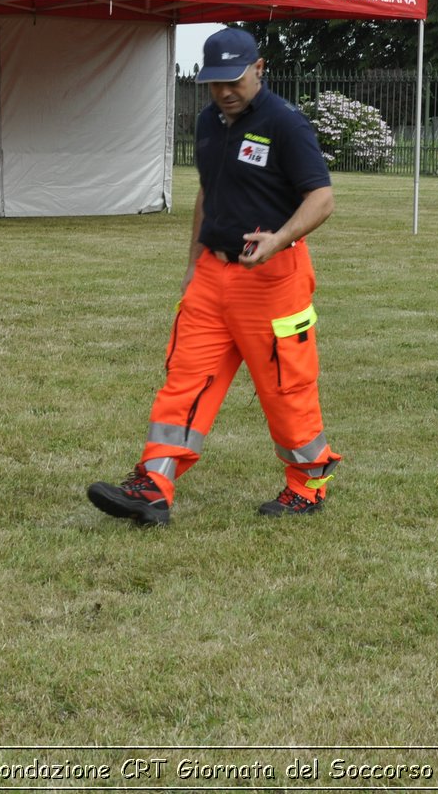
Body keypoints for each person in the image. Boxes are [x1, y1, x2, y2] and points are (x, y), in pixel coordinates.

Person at [87, 27, 339, 525]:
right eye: (215, 82)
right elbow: (209, 192)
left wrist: (278, 239)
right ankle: (153, 485)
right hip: (212, 276)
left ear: (259, 69)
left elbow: (322, 198)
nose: (225, 91)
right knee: (184, 380)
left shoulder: (286, 124)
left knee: (285, 390)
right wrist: (192, 263)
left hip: (273, 278)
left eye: (235, 79)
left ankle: (308, 483)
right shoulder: (208, 123)